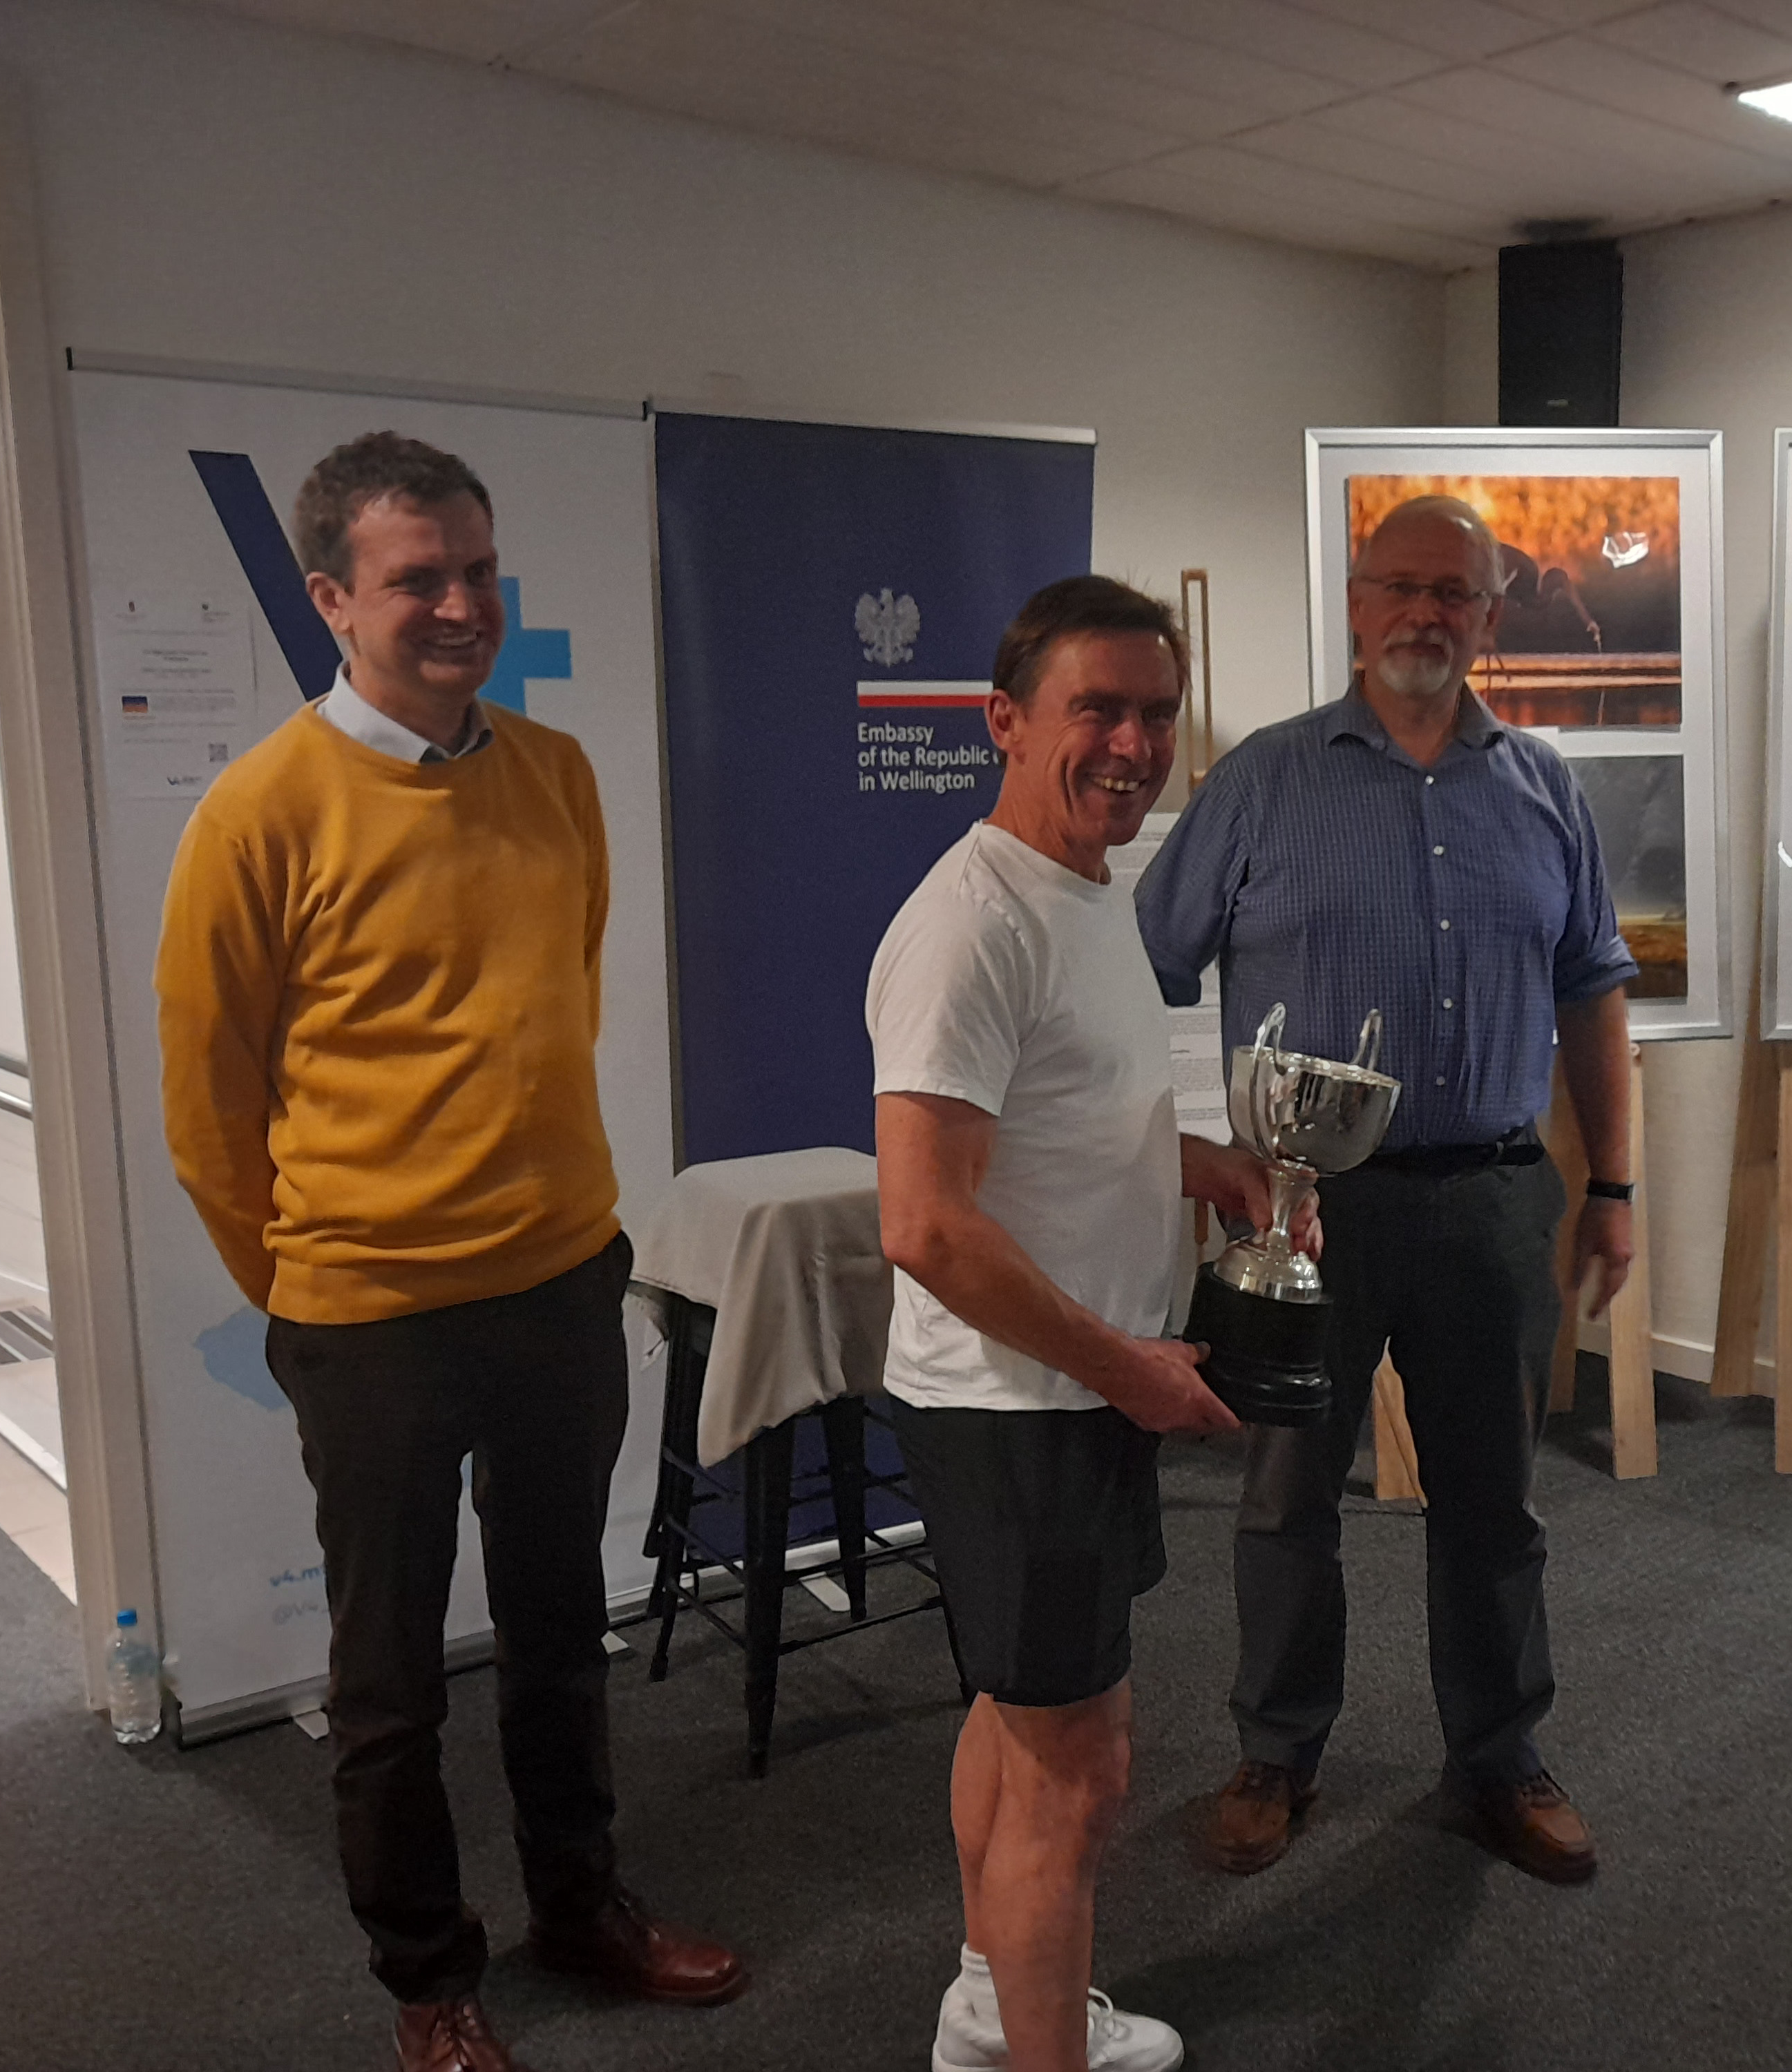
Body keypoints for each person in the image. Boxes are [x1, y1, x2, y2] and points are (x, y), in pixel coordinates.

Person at [156, 432, 743, 2072]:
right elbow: (207, 1112)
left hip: (557, 1283)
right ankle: (429, 1980)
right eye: (419, 578)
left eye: (478, 571)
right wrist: (308, 1291)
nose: (462, 605)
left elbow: (564, 995)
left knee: (561, 1637)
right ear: (332, 600)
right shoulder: (256, 815)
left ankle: (581, 1907)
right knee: (390, 1683)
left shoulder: (554, 776)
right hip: (371, 1320)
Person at [1136, 495, 1639, 1886]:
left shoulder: (1544, 791)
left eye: (1454, 592)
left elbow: (1593, 991)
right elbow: (1138, 972)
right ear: (1356, 605)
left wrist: (1614, 1185)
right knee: (1285, 1496)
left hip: (1492, 1199)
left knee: (1494, 1503)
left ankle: (1499, 1758)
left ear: (1490, 615)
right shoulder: (1263, 781)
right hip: (1305, 1214)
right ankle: (1274, 1751)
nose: (1426, 613)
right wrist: (1178, 1153)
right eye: (1400, 587)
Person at [870, 575, 1304, 2072]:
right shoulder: (969, 924)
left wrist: (1205, 1165)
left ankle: (992, 2012)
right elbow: (925, 1223)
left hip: (1068, 1399)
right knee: (1078, 1775)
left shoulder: (1088, 890)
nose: (1132, 745)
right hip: (1024, 1409)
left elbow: (1055, 1131)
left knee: (1014, 1726)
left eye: (1156, 715)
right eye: (1096, 710)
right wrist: (1129, 1372)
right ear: (1004, 721)